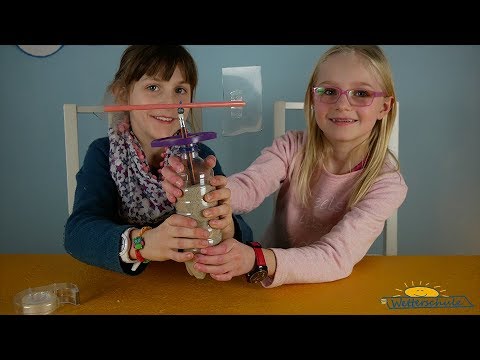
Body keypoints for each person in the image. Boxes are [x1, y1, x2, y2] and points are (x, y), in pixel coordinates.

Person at [161, 45, 408, 288]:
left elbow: (336, 256)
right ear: (313, 98)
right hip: (270, 280)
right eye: (329, 91)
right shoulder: (291, 146)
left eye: (361, 94)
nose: (342, 105)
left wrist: (256, 259)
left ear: (384, 107)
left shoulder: (387, 183)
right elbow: (250, 186)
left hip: (327, 285)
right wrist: (210, 193)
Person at [64, 45, 253, 275]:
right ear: (124, 95)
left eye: (180, 89)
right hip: (123, 288)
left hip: (191, 282)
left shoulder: (200, 156)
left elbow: (242, 233)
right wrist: (143, 243)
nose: (170, 102)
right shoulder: (104, 154)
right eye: (153, 87)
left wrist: (227, 227)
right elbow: (78, 234)